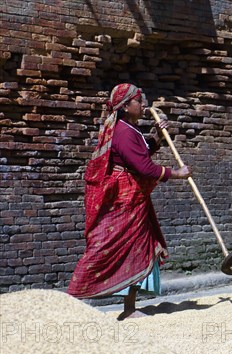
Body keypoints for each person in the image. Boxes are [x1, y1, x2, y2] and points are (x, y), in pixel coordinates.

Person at [67, 83, 191, 320]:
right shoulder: (123, 132)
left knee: (136, 251)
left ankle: (130, 309)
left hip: (135, 201)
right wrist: (176, 173)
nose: (143, 105)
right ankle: (71, 298)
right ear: (125, 106)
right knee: (103, 248)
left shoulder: (129, 129)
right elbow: (144, 167)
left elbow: (141, 155)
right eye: (139, 101)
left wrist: (157, 135)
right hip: (123, 203)